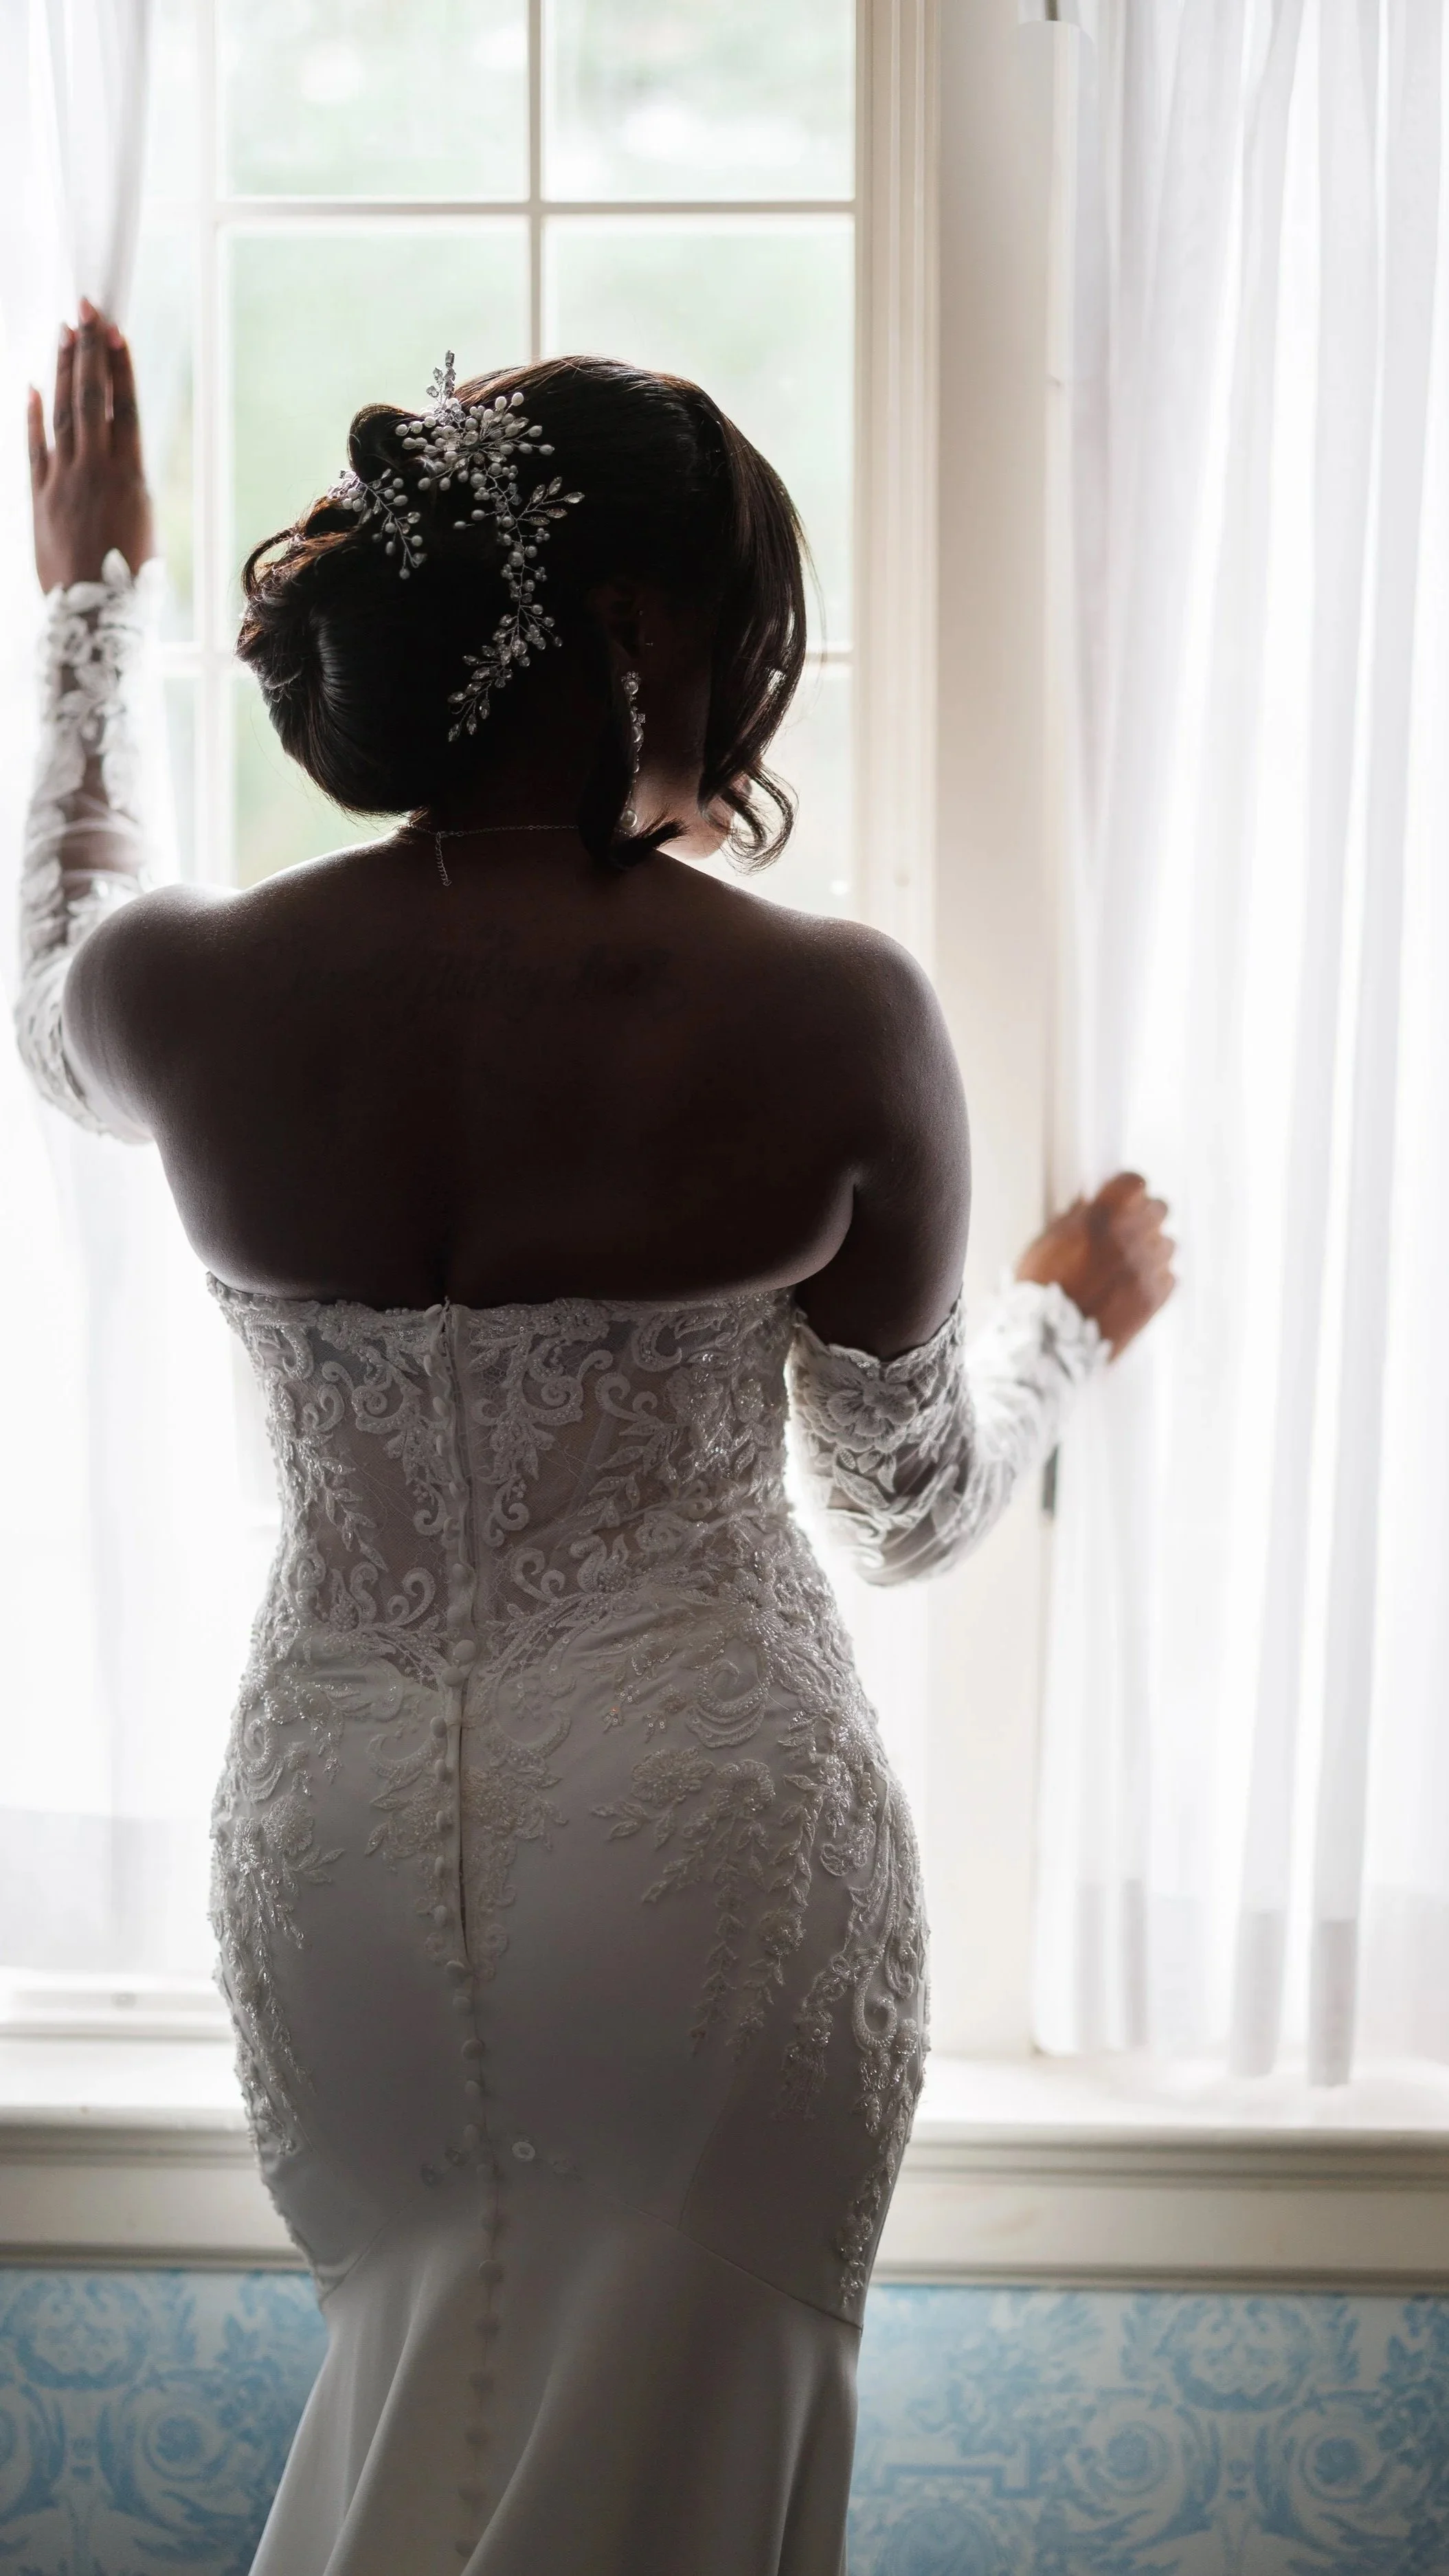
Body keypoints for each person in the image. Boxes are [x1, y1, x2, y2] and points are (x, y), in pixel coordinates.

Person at [18, 300, 1173, 2576]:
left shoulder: (188, 990)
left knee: (421, 2410)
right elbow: (906, 1496)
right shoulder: (832, 1017)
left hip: (334, 1860)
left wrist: (84, 591)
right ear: (647, 632)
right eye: (755, 636)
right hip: (704, 1876)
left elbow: (49, 932)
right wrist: (1060, 1325)